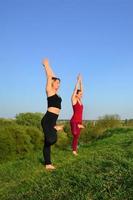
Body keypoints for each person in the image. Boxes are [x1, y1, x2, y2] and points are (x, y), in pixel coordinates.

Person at [41, 58, 63, 170]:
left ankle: (48, 163)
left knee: (49, 142)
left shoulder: (56, 93)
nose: (58, 84)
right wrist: (46, 65)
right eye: (57, 82)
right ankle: (48, 163)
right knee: (50, 140)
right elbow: (50, 77)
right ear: (52, 83)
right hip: (48, 119)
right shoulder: (49, 90)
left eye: (59, 83)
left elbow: (53, 76)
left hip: (53, 120)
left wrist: (49, 67)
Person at [70, 74, 84, 156]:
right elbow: (75, 90)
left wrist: (81, 80)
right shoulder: (74, 100)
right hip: (74, 121)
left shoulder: (80, 101)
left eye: (82, 94)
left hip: (79, 122)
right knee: (75, 133)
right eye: (80, 94)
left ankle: (74, 150)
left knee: (76, 137)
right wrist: (78, 81)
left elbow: (82, 89)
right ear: (76, 94)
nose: (81, 95)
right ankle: (74, 149)